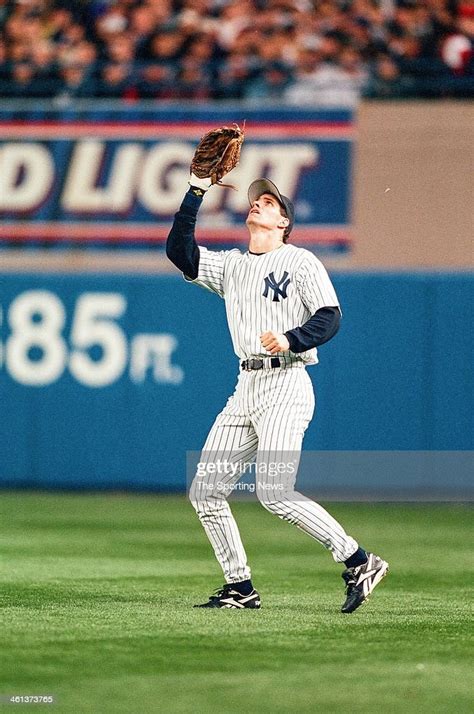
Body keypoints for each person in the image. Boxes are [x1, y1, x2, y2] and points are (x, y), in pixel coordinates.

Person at [166, 169, 389, 613]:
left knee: (273, 493)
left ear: (284, 221)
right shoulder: (230, 265)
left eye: (269, 203)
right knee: (205, 491)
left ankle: (359, 560)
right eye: (256, 200)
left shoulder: (300, 261)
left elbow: (330, 317)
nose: (258, 204)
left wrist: (291, 338)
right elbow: (180, 252)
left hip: (286, 383)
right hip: (245, 385)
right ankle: (240, 587)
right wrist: (195, 191)